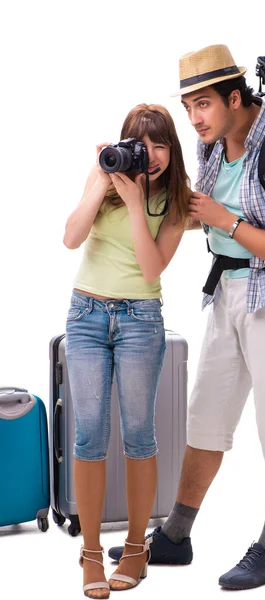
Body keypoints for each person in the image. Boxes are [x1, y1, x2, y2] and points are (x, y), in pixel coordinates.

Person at [109, 44, 265, 590]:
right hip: (227, 292)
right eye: (187, 108)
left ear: (236, 96)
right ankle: (177, 537)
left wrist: (225, 221)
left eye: (203, 104)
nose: (194, 119)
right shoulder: (215, 147)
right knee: (206, 419)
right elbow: (197, 210)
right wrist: (130, 194)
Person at [63, 103, 190, 598]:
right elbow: (71, 238)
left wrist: (138, 205)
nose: (151, 155)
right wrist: (101, 180)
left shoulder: (177, 201)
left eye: (160, 144)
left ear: (171, 150)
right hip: (86, 315)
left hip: (141, 320)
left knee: (139, 434)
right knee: (88, 435)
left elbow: (152, 267)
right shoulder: (105, 178)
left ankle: (137, 547)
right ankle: (91, 554)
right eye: (142, 144)